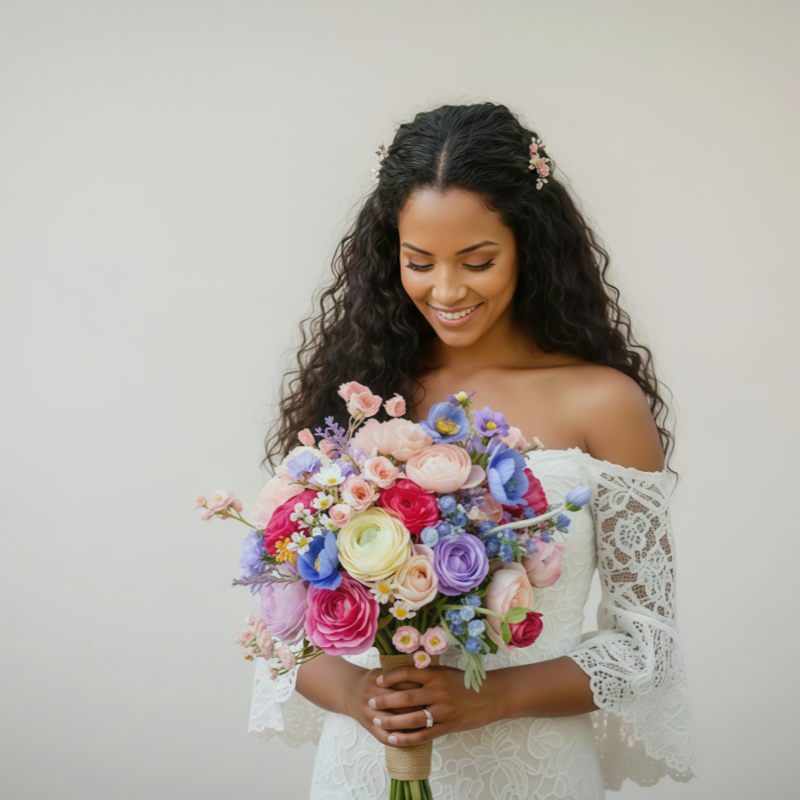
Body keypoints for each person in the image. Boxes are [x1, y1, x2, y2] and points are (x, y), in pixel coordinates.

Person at [248, 103, 697, 798]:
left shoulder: (603, 403)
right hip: (366, 769)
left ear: (530, 246)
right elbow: (281, 628)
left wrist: (492, 697)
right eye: (419, 262)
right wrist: (358, 694)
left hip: (535, 771)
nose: (447, 290)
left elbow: (648, 647)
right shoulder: (363, 397)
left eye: (478, 260)